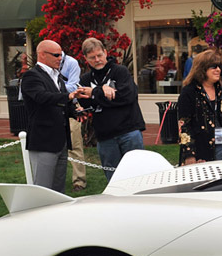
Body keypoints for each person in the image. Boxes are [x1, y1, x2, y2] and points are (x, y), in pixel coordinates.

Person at [76, 37, 146, 180]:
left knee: (138, 174)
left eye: (99, 55)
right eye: (92, 57)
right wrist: (104, 93)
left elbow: (127, 97)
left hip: (129, 131)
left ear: (105, 53)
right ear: (86, 59)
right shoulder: (85, 79)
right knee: (113, 177)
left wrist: (96, 93)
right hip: (105, 136)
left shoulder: (120, 72)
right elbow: (86, 104)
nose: (97, 60)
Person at [21, 40, 82, 192]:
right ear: (42, 55)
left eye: (61, 55)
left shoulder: (59, 78)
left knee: (58, 188)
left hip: (60, 140)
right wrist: (68, 97)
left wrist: (76, 112)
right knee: (43, 189)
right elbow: (42, 97)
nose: (60, 58)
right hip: (43, 140)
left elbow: (60, 105)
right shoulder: (31, 76)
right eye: (56, 55)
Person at [177, 50, 222, 165]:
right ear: (202, 68)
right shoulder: (189, 93)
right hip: (200, 152)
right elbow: (184, 126)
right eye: (213, 67)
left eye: (219, 66)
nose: (218, 70)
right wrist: (189, 155)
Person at [60, 50, 87, 192]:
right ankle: (55, 181)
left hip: (71, 107)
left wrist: (51, 90)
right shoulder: (43, 65)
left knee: (74, 145)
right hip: (53, 108)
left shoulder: (71, 63)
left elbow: (73, 86)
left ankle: (79, 181)